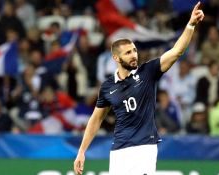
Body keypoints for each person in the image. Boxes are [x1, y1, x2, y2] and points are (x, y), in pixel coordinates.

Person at [73, 2, 204, 175]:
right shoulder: (108, 87)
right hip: (119, 150)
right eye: (128, 53)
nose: (134, 55)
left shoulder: (147, 72)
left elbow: (176, 51)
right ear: (116, 58)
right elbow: (96, 119)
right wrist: (82, 151)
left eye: (134, 51)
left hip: (144, 148)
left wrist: (190, 25)